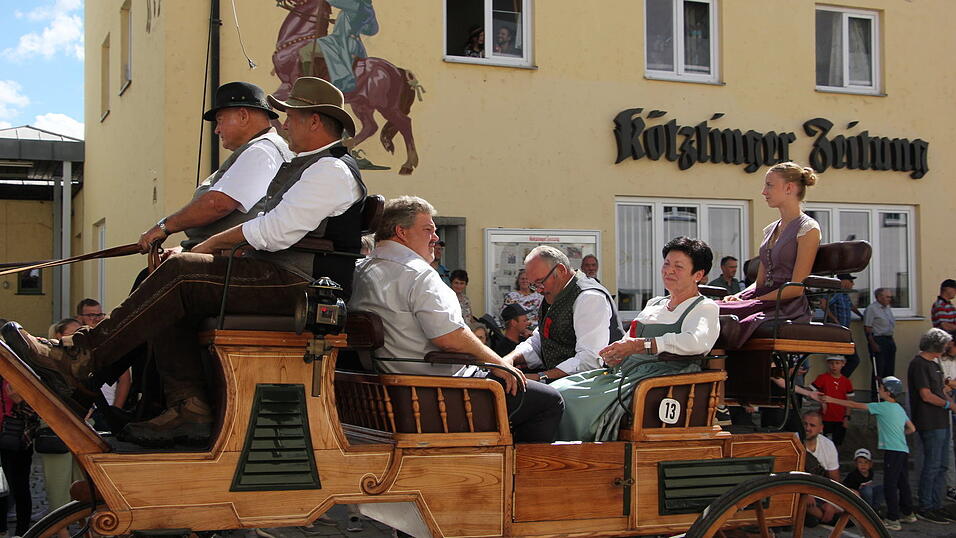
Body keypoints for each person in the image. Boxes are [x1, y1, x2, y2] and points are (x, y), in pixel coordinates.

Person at [2, 77, 366, 448]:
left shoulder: (331, 169)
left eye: (291, 115)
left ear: (315, 121)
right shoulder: (308, 165)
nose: (283, 123)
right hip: (284, 275)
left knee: (178, 273)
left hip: (304, 286)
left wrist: (207, 246)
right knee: (170, 284)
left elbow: (273, 231)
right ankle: (185, 406)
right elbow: (266, 229)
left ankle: (81, 358)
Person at [348, 196, 563, 442]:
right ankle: (515, 476)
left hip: (381, 393)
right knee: (549, 401)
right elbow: (450, 338)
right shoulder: (418, 275)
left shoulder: (360, 269)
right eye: (428, 229)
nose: (436, 238)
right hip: (435, 395)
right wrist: (501, 365)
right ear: (401, 232)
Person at [549, 237, 719, 442]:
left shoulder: (704, 307)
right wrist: (616, 354)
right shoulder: (655, 303)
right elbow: (630, 338)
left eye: (678, 266)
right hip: (626, 373)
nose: (669, 270)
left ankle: (574, 455)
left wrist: (642, 345)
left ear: (698, 275)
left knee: (572, 399)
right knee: (557, 390)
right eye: (666, 264)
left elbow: (696, 342)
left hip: (661, 378)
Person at [137, 81, 293, 254]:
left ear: (243, 116)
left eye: (220, 121)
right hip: (226, 256)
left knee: (153, 279)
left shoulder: (263, 151)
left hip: (237, 262)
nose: (217, 130)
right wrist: (182, 250)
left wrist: (164, 227)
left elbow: (218, 204)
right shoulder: (258, 150)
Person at [718, 162, 821, 348]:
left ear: (789, 188)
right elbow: (760, 282)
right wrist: (739, 296)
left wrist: (753, 301)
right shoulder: (770, 230)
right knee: (713, 308)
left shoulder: (808, 229)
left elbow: (796, 288)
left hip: (786, 305)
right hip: (764, 299)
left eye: (769, 185)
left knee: (719, 313)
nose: (764, 192)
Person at [503, 246, 623, 382]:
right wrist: (509, 360)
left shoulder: (589, 297)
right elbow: (540, 339)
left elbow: (589, 361)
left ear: (560, 270)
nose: (538, 291)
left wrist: (539, 377)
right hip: (567, 384)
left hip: (597, 387)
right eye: (533, 285)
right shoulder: (555, 293)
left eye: (540, 282)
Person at [822, 377, 917, 530]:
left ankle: (893, 519)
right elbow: (912, 429)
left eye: (881, 388)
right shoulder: (899, 408)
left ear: (888, 391)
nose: (879, 390)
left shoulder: (882, 406)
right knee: (902, 482)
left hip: (892, 451)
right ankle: (908, 513)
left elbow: (854, 404)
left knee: (890, 484)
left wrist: (831, 399)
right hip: (903, 450)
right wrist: (898, 434)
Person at [908, 328, 954, 524]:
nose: (947, 348)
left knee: (942, 465)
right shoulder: (919, 364)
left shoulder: (934, 364)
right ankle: (926, 506)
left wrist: (948, 398)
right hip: (930, 421)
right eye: (944, 345)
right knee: (932, 465)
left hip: (942, 420)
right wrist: (947, 404)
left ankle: (937, 503)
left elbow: (939, 390)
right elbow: (925, 395)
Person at [76, 299, 132, 429]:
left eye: (99, 315)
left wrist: (116, 409)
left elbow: (124, 379)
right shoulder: (75, 342)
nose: (95, 319)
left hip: (105, 409)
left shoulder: (111, 343)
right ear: (79, 317)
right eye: (90, 315)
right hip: (82, 409)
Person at [811, 356, 854, 447]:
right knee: (823, 443)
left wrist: (847, 417)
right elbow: (811, 391)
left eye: (837, 363)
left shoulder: (847, 381)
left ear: (843, 364)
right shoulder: (822, 378)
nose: (834, 366)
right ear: (828, 364)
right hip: (825, 417)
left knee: (837, 444)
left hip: (840, 418)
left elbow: (849, 401)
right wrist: (821, 401)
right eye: (831, 363)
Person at [825, 273, 863, 376]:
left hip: (845, 332)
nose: (853, 284)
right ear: (844, 281)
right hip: (837, 332)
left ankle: (840, 382)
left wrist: (862, 316)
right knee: (837, 360)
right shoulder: (836, 293)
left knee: (851, 360)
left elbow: (851, 307)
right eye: (851, 281)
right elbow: (823, 303)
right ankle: (836, 382)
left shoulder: (845, 295)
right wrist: (834, 319)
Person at [864, 287, 897, 384]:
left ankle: (888, 393)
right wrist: (872, 343)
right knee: (879, 369)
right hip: (878, 340)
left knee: (889, 368)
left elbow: (890, 326)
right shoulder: (872, 309)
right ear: (879, 297)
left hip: (889, 339)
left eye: (890, 297)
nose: (889, 299)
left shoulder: (887, 309)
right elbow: (867, 328)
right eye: (887, 297)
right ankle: (876, 395)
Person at [842, 449, 883, 513]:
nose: (863, 465)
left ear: (870, 464)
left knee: (881, 488)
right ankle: (868, 511)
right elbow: (844, 487)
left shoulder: (871, 472)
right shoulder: (853, 475)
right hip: (857, 497)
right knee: (867, 490)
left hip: (866, 495)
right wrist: (852, 490)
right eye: (860, 462)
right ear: (855, 464)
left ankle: (875, 509)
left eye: (866, 462)